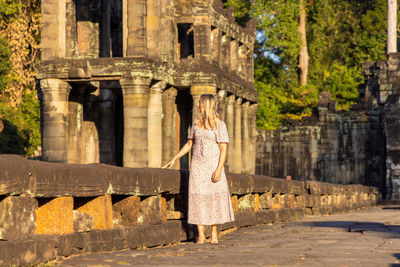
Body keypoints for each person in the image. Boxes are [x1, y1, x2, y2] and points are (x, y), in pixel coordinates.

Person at [162, 94, 235, 244]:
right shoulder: (196, 123)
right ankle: (201, 234)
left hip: (213, 165)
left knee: (214, 198)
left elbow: (223, 149)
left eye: (199, 103)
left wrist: (219, 169)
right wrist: (174, 158)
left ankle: (214, 233)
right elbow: (190, 144)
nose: (197, 106)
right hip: (197, 166)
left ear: (206, 105)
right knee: (198, 197)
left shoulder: (219, 124)